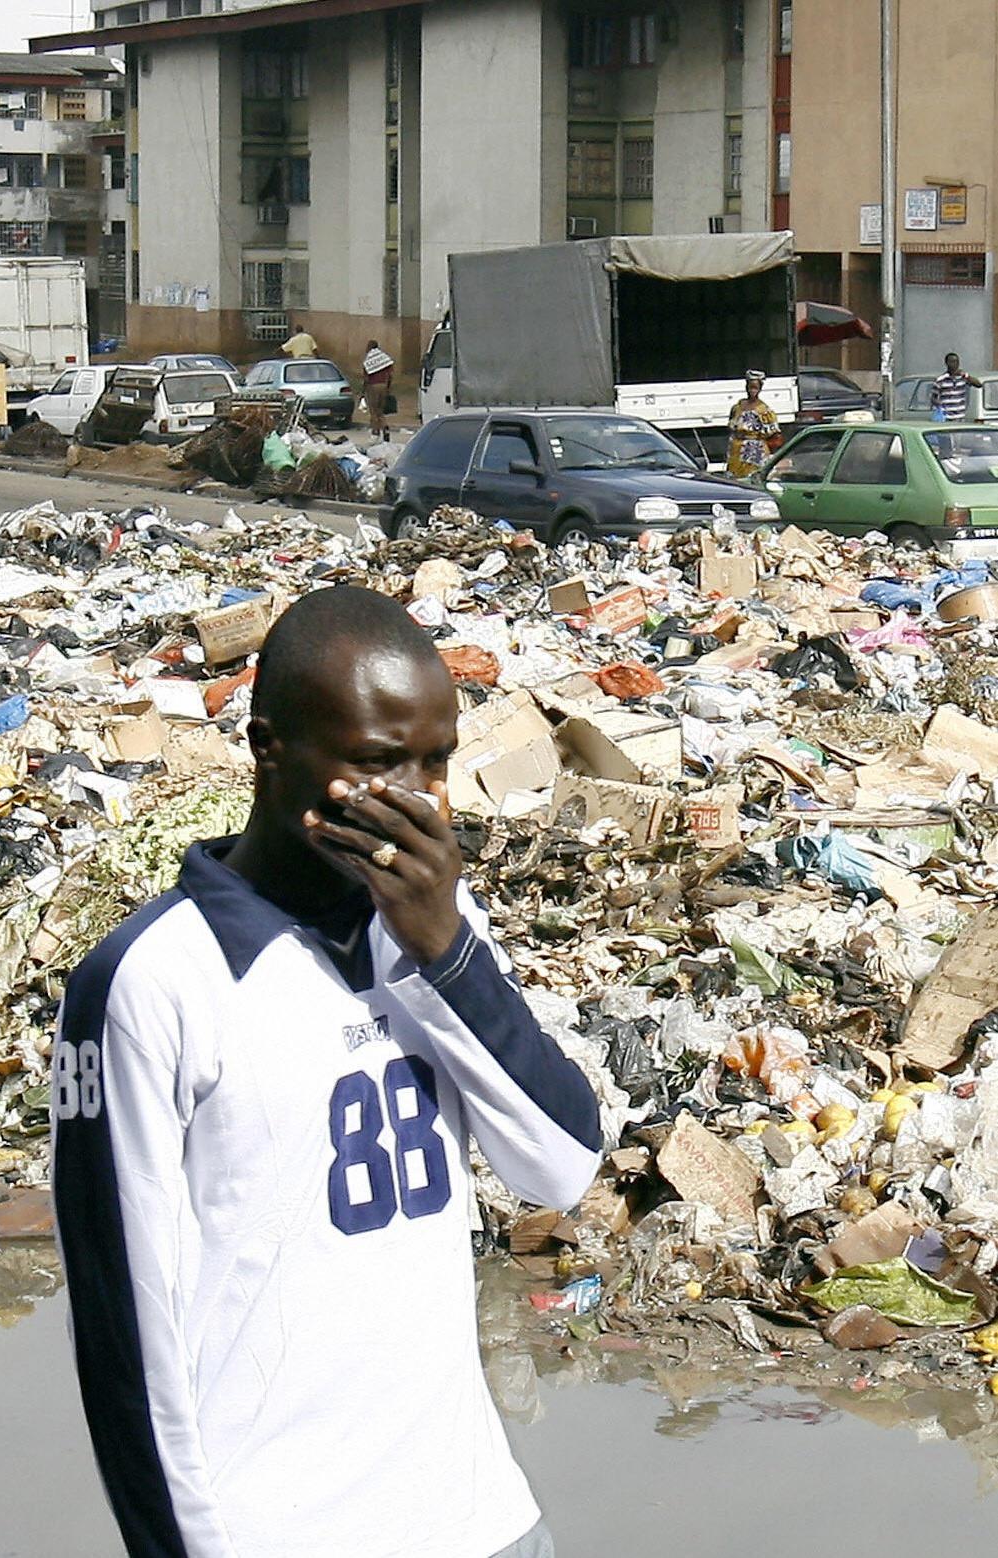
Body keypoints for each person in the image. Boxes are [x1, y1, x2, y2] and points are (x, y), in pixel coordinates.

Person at [53, 585, 601, 1558]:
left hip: (480, 1521)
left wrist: (443, 949)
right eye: (378, 761)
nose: (417, 800)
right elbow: (124, 1344)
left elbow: (558, 1168)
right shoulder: (152, 983)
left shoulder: (434, 931)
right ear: (269, 749)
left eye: (435, 761)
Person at [725, 370, 780, 478]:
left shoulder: (764, 410)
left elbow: (774, 434)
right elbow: (731, 425)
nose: (752, 390)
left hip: (755, 452)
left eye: (755, 387)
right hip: (736, 451)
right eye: (750, 387)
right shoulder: (737, 407)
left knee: (752, 479)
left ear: (760, 389)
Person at [932, 352, 984, 422]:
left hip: (960, 417)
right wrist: (940, 408)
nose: (954, 364)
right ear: (946, 363)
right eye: (951, 362)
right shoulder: (941, 380)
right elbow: (934, 398)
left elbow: (978, 385)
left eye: (956, 362)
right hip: (946, 418)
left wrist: (966, 376)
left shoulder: (963, 378)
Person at [362, 338, 396, 438]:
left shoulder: (369, 359)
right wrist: (388, 388)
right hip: (384, 386)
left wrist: (363, 391)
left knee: (373, 411)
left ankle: (375, 432)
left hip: (373, 387)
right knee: (380, 410)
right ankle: (385, 428)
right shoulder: (384, 358)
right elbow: (390, 375)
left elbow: (366, 377)